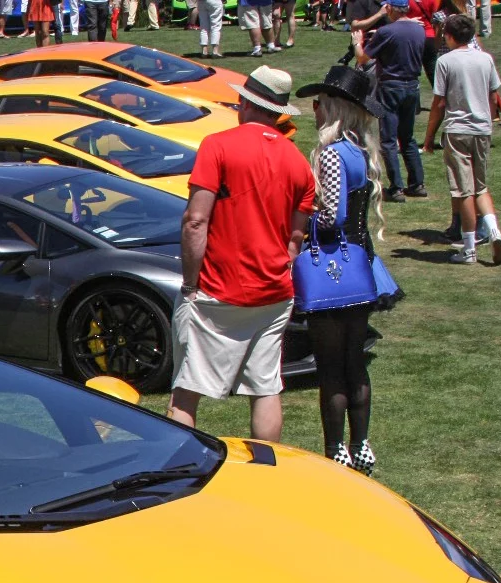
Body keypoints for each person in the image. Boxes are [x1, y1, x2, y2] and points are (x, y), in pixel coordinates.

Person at [168, 66, 314, 442]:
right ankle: (266, 472)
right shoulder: (298, 161)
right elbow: (295, 239)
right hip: (274, 291)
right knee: (266, 387)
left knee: (186, 389)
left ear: (245, 101)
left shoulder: (218, 145)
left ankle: (179, 472)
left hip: (218, 289)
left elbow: (195, 221)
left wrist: (190, 283)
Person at [296, 65, 394, 473]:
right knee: (355, 362)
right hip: (360, 264)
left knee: (330, 367)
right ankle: (362, 444)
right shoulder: (360, 151)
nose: (314, 110)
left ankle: (336, 448)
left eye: (319, 104)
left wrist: (301, 219)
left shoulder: (333, 154)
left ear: (333, 108)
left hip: (331, 268)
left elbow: (331, 217)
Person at [422, 15, 501, 263]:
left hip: (457, 130)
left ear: (448, 35)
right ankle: (493, 230)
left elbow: (438, 103)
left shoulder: (445, 61)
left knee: (463, 190)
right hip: (482, 129)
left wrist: (429, 138)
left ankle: (469, 249)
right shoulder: (485, 59)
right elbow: (493, 97)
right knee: (481, 186)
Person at [357, 0, 427, 200]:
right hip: (412, 86)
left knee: (388, 139)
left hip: (391, 86)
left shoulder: (386, 32)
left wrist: (357, 42)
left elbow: (363, 58)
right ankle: (417, 184)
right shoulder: (418, 30)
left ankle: (396, 187)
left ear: (389, 9)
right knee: (408, 137)